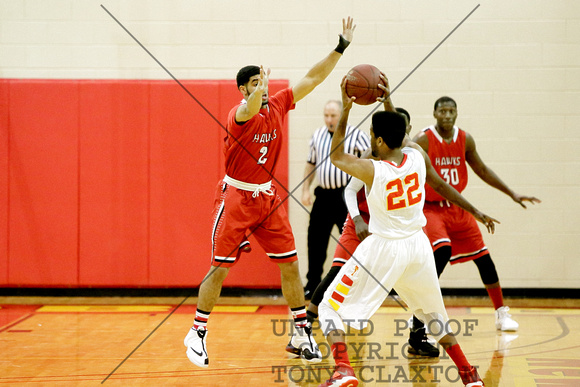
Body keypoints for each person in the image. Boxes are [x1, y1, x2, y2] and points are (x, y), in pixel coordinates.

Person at [183, 17, 357, 368]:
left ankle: (300, 331)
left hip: (266, 197)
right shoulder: (239, 114)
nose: (259, 88)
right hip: (236, 197)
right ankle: (197, 332)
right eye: (253, 84)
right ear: (243, 90)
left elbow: (313, 77)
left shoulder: (277, 104)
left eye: (261, 83)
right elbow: (250, 107)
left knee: (291, 264)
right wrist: (260, 89)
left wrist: (340, 47)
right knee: (219, 269)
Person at [317, 77, 496, 387]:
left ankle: (343, 369)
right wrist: (388, 102)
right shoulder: (416, 156)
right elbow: (403, 137)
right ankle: (470, 377)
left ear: (381, 141)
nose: (371, 139)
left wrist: (346, 109)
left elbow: (336, 157)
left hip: (383, 248)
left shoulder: (374, 169)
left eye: (373, 135)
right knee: (434, 317)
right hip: (418, 248)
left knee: (327, 306)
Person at [410, 96, 541, 335]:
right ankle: (420, 316)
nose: (447, 115)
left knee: (483, 257)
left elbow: (481, 169)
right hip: (430, 206)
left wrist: (511, 193)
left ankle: (501, 313)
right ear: (435, 114)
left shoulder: (465, 139)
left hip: (458, 207)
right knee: (441, 253)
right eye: (443, 111)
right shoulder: (423, 139)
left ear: (456, 113)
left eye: (452, 111)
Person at [301, 100, 370, 299]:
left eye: (333, 116)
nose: (329, 120)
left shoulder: (357, 135)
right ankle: (312, 284)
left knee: (351, 242)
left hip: (346, 196)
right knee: (315, 241)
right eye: (326, 115)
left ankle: (354, 287)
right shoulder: (317, 135)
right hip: (323, 195)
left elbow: (369, 162)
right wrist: (305, 189)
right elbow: (310, 164)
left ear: (341, 115)